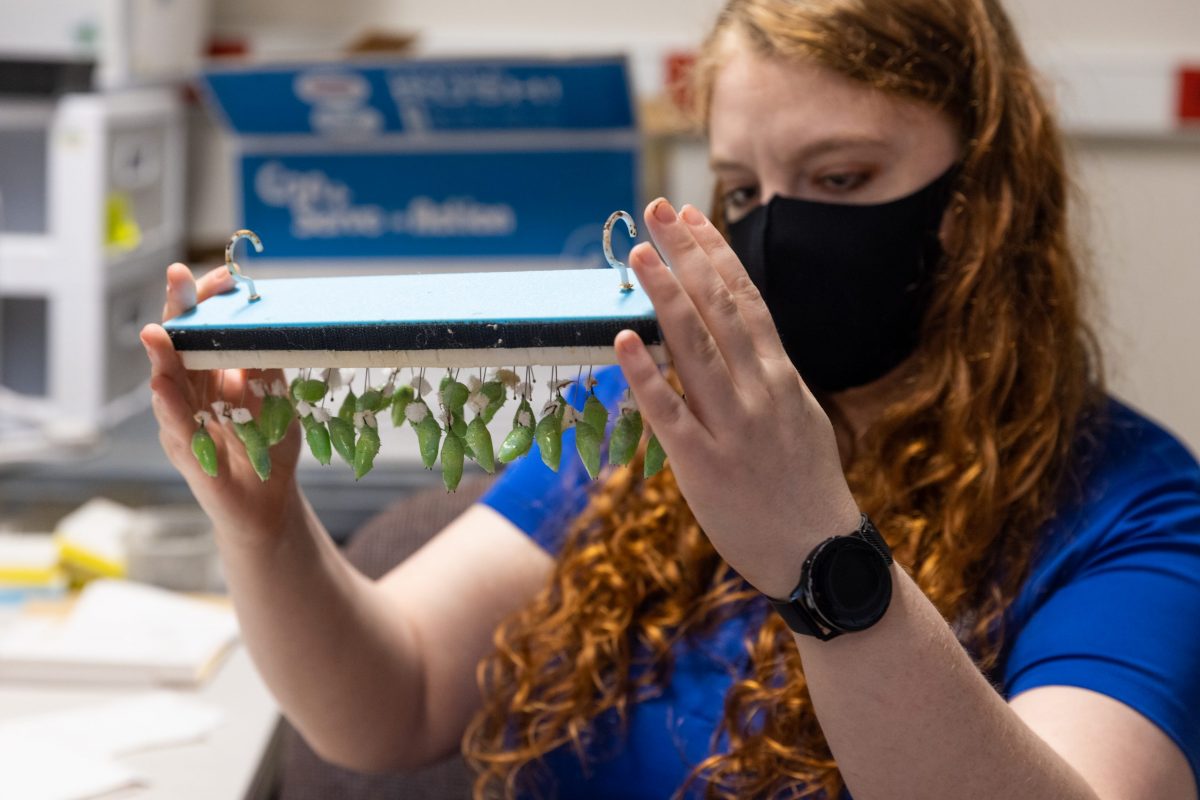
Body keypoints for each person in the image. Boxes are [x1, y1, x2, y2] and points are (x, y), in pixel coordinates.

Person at [141, 0, 1200, 797]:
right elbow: (390, 702)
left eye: (840, 179)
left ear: (976, 207)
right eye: (742, 189)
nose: (776, 228)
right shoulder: (650, 412)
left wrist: (818, 547)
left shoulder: (1132, 511)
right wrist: (263, 523)